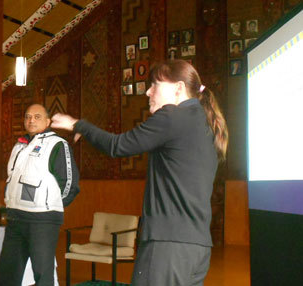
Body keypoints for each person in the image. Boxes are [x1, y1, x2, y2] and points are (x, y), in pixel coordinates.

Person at [51, 60, 228, 286]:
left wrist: (77, 124)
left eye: (155, 84)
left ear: (179, 88)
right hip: (197, 248)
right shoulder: (204, 122)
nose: (148, 91)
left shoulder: (173, 117)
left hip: (168, 246)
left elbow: (118, 146)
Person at [0, 104, 80, 286]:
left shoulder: (57, 144)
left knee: (43, 275)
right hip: (15, 218)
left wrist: (51, 205)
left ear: (48, 121)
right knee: (7, 273)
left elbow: (70, 184)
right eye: (28, 116)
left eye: (37, 116)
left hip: (42, 220)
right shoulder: (19, 145)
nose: (31, 120)